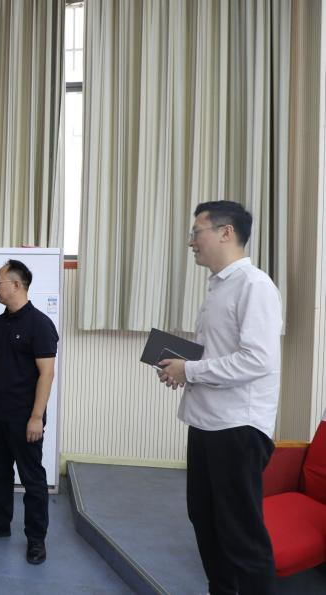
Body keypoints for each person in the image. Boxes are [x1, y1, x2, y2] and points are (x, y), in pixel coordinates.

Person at [158, 200, 281, 595]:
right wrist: (181, 368)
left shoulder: (255, 286)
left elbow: (258, 360)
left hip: (237, 428)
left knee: (241, 535)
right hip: (206, 422)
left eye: (197, 232)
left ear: (226, 232)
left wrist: (191, 370)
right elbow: (218, 354)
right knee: (206, 520)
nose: (191, 242)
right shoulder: (218, 286)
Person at [0, 259, 58, 565]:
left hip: (24, 417)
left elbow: (47, 374)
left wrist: (36, 417)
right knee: (0, 474)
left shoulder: (40, 325)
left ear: (17, 285)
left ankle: (36, 539)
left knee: (33, 480)